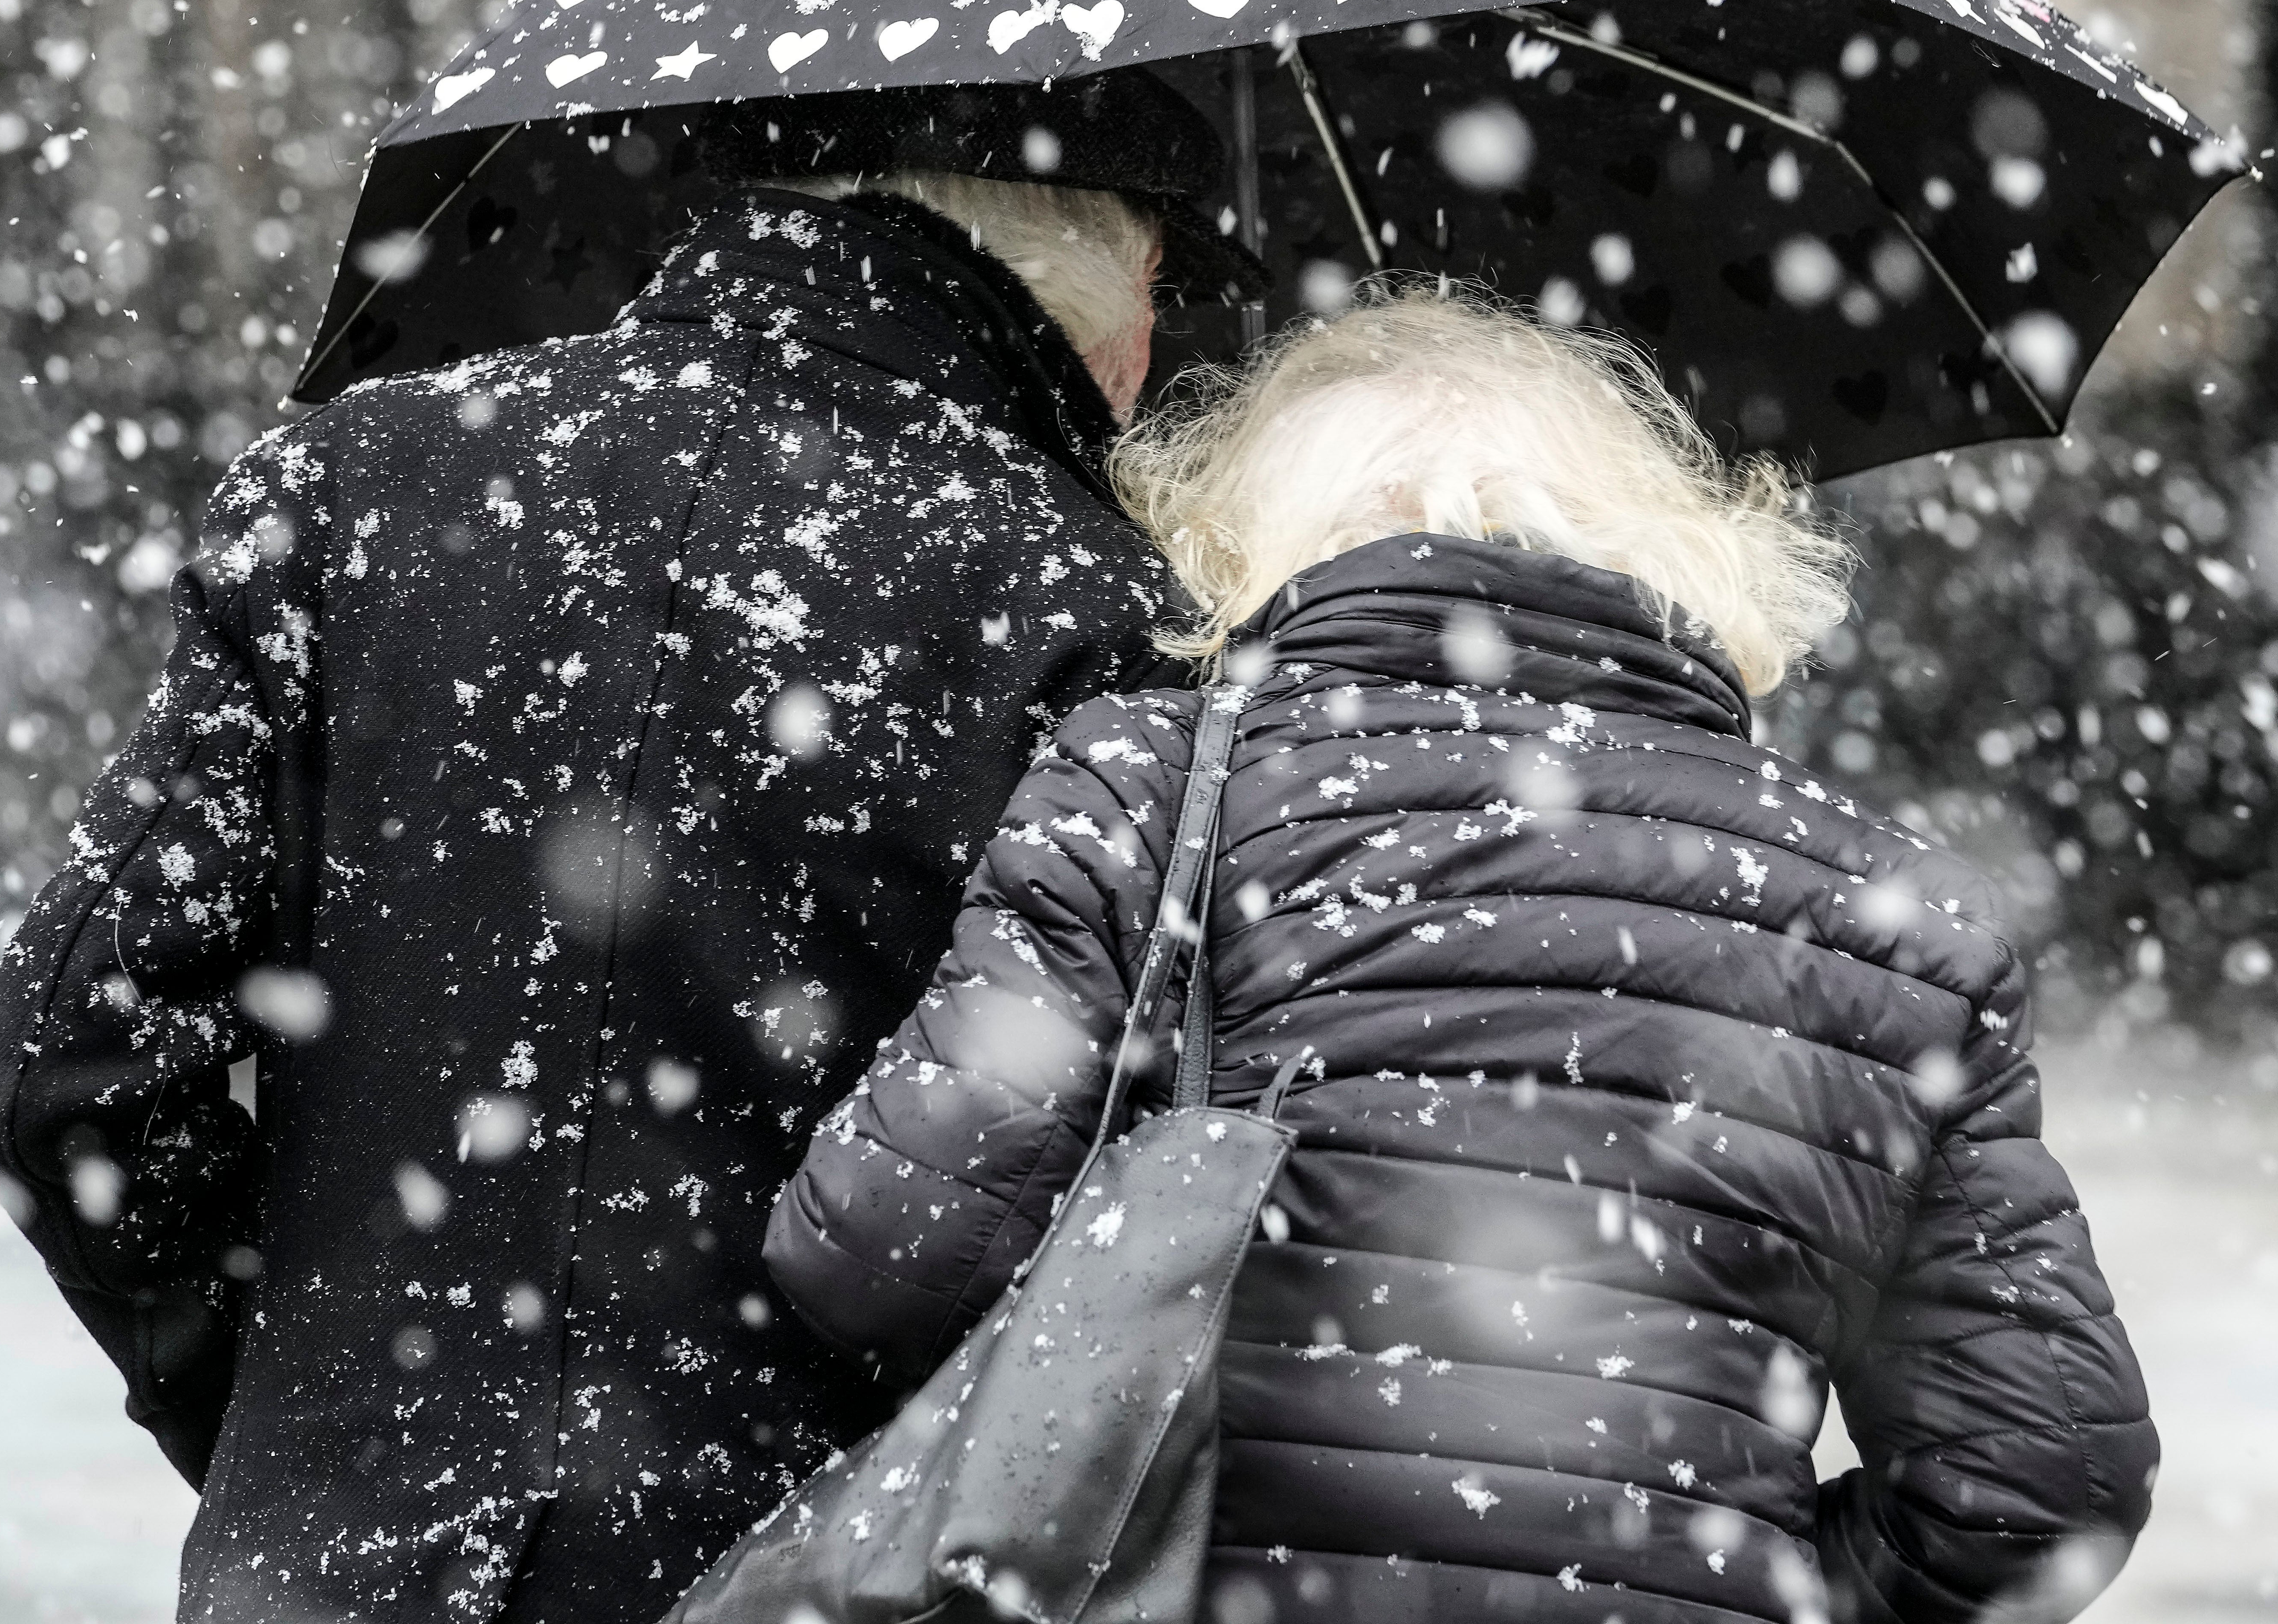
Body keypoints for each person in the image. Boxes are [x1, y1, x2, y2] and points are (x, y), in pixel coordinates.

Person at [0, 67, 1256, 1621]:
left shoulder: (348, 489)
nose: (1149, 367)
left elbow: (59, 1062)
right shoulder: (1089, 607)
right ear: (1098, 274)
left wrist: (289, 1419)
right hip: (821, 1574)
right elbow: (1126, 1220)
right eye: (1161, 304)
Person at [767, 286, 2157, 1624]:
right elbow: (2037, 1487)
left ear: (1244, 544)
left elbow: (883, 1256)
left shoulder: (1152, 785)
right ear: (1675, 544)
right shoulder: (1890, 905)